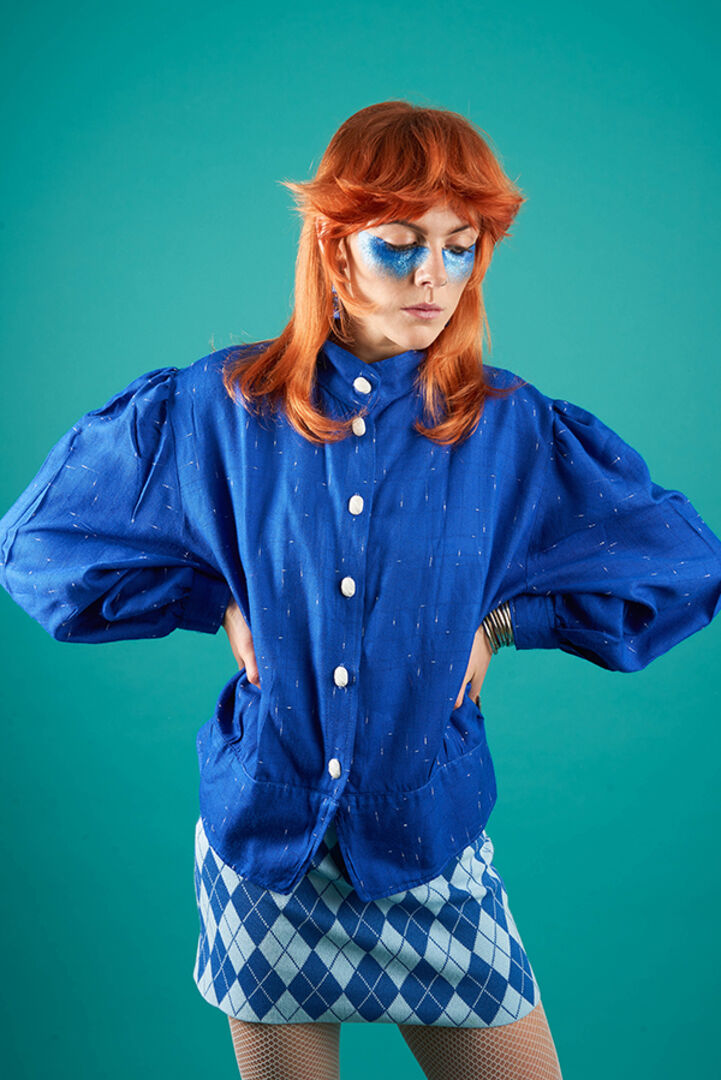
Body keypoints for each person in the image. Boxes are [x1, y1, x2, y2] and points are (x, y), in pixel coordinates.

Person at [1, 101, 720, 1080]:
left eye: (460, 247)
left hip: (426, 842)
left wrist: (509, 622)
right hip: (266, 855)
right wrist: (213, 602)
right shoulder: (218, 409)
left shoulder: (509, 429)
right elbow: (38, 545)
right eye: (400, 244)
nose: (434, 277)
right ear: (334, 246)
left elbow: (680, 564)